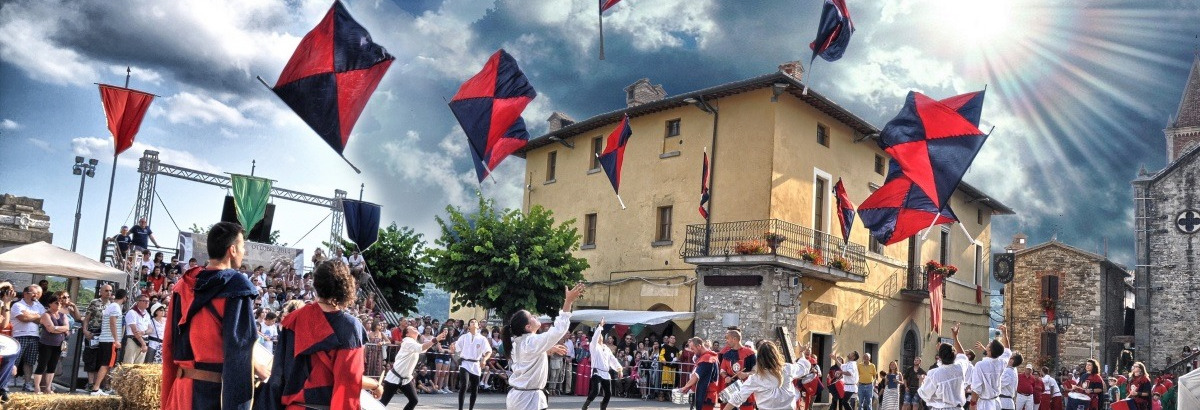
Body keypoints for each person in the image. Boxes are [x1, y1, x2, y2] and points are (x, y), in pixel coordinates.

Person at [162, 222, 261, 409]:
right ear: (232, 250)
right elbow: (239, 352)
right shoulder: (237, 286)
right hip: (215, 395)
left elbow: (168, 345)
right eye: (242, 247)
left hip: (181, 391)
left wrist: (167, 398)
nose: (243, 252)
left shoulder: (183, 286)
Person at [258, 260, 382, 409]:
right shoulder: (350, 327)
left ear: (316, 285)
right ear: (345, 286)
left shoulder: (294, 320)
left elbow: (278, 375)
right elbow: (347, 382)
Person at [504, 283, 586, 410]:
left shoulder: (519, 342)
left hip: (522, 397)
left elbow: (530, 355)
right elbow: (559, 329)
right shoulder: (531, 342)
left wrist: (548, 349)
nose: (535, 316)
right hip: (528, 400)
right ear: (528, 327)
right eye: (531, 316)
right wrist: (568, 301)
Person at [722, 341, 811, 410]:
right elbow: (804, 367)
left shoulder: (756, 378)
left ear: (759, 358)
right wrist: (801, 352)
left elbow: (737, 398)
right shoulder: (787, 369)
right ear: (776, 355)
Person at [381, 324, 446, 408]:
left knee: (414, 400)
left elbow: (423, 348)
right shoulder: (407, 341)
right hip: (394, 377)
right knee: (383, 403)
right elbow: (422, 347)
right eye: (411, 328)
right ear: (407, 334)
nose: (415, 328)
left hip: (406, 379)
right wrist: (436, 339)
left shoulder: (413, 342)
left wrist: (435, 340)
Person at [919, 323, 971, 409]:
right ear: (954, 355)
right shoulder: (959, 368)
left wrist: (921, 382)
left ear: (939, 357)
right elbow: (963, 356)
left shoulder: (934, 373)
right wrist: (955, 337)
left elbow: (924, 395)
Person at [32, 294, 69, 394]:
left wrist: (56, 329)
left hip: (58, 344)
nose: (59, 305)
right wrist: (60, 329)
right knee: (42, 365)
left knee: (52, 366)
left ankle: (48, 388)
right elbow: (50, 329)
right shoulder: (46, 315)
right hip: (46, 343)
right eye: (56, 303)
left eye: (60, 303)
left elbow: (67, 327)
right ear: (50, 304)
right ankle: (37, 388)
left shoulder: (62, 315)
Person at [969, 324, 1012, 410]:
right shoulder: (1001, 362)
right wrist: (1005, 333)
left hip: (985, 404)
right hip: (996, 402)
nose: (988, 343)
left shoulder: (980, 365)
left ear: (989, 350)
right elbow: (1007, 350)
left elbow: (976, 389)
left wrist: (973, 404)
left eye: (989, 344)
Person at [10, 284, 44, 392]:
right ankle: (7, 381)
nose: (36, 295)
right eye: (33, 293)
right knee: (14, 360)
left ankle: (27, 383)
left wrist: (31, 315)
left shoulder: (38, 305)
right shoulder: (17, 305)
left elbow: (43, 319)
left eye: (37, 293)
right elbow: (23, 318)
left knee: (30, 361)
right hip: (19, 335)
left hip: (34, 336)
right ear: (25, 293)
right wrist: (36, 316)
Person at [583, 318, 623, 410]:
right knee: (595, 391)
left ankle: (603, 406)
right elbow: (595, 337)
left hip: (606, 373)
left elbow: (613, 360)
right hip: (597, 372)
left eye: (601, 335)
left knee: (608, 393)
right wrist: (600, 326)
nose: (600, 336)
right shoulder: (593, 346)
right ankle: (586, 405)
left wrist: (619, 369)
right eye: (598, 335)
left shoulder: (607, 348)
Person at [453, 318, 492, 410]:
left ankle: (471, 408)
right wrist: (452, 349)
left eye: (475, 322)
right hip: (465, 363)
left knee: (475, 388)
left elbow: (488, 351)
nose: (473, 323)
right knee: (464, 385)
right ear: (469, 326)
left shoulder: (482, 339)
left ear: (478, 326)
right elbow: (456, 349)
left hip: (476, 364)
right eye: (471, 322)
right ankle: (460, 408)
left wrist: (484, 360)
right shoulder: (463, 337)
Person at [93, 288, 126, 395]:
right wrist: (116, 340)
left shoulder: (111, 306)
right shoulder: (116, 307)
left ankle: (101, 387)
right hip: (110, 340)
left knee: (107, 364)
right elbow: (113, 323)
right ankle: (96, 388)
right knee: (106, 364)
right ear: (124, 297)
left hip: (106, 339)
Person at [718, 329, 758, 410]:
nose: (726, 341)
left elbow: (756, 372)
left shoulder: (750, 353)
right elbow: (722, 370)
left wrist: (746, 374)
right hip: (730, 388)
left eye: (727, 339)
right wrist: (726, 377)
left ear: (734, 339)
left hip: (746, 388)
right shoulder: (726, 354)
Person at [676, 337, 720, 410]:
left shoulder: (707, 358)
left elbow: (696, 376)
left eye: (693, 349)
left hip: (706, 395)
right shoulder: (706, 357)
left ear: (699, 346)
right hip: (704, 393)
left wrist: (685, 387)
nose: (692, 351)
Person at [0, 282, 19, 403]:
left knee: (12, 353)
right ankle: (2, 387)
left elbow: (4, 324)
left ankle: (2, 387)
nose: (10, 292)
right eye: (7, 290)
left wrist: (7, 303)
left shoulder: (4, 304)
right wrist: (4, 284)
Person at [123, 295, 152, 364]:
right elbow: (134, 331)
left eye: (148, 301)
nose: (147, 303)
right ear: (138, 302)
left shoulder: (147, 314)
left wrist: (144, 332)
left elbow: (150, 329)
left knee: (138, 366)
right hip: (133, 340)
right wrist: (143, 344)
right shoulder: (132, 312)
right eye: (145, 301)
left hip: (144, 340)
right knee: (128, 364)